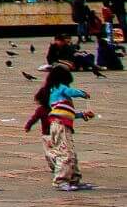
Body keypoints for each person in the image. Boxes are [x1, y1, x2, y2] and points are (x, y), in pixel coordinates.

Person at [25, 62, 95, 192]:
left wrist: (83, 114)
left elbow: (67, 113)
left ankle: (74, 179)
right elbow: (71, 91)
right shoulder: (59, 88)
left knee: (71, 154)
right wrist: (82, 93)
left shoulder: (58, 95)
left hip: (63, 125)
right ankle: (60, 181)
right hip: (60, 126)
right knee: (65, 154)